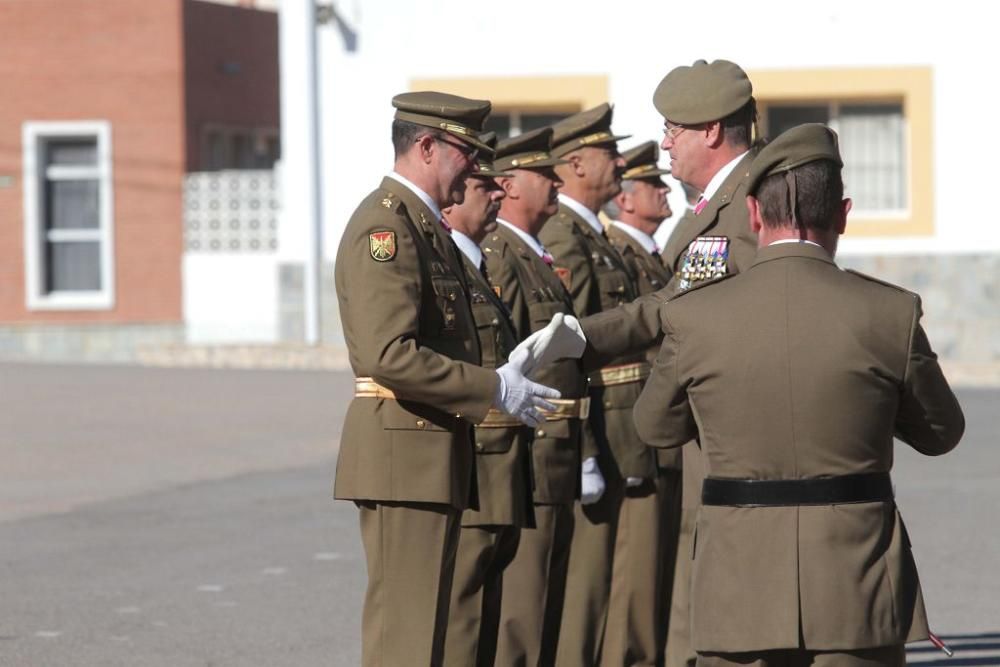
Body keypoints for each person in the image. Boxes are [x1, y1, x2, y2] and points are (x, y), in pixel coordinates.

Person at [633, 122, 965, 667]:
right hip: (855, 586)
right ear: (842, 214)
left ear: (755, 215)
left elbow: (656, 428)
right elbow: (941, 433)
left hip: (736, 587)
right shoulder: (891, 312)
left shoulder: (694, 317)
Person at [332, 91, 561, 667]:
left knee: (437, 636)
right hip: (404, 456)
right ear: (428, 147)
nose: (478, 171)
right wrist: (493, 389)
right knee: (407, 640)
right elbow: (387, 353)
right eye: (467, 152)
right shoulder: (385, 227)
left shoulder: (424, 228)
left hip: (432, 452)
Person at [575, 60, 762, 667]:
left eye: (673, 129)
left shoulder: (743, 202)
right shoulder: (719, 202)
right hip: (711, 413)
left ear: (710, 131)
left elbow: (676, 310)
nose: (664, 143)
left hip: (731, 418)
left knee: (720, 564)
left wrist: (580, 336)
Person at [533, 103, 655, 667]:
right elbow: (566, 352)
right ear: (577, 164)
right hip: (597, 425)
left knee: (611, 581)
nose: (618, 163)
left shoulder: (594, 235)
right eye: (609, 152)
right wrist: (581, 447)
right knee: (585, 591)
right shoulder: (565, 235)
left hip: (620, 424)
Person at [479, 128, 590, 666]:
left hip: (559, 448)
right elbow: (508, 363)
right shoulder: (501, 254)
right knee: (523, 613)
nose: (555, 180)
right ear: (509, 185)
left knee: (547, 605)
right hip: (534, 451)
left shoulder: (534, 255)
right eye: (543, 173)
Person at [603, 140, 682, 666]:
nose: (664, 189)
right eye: (653, 184)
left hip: (659, 424)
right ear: (627, 200)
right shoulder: (618, 252)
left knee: (658, 566)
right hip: (630, 429)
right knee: (634, 573)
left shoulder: (653, 254)